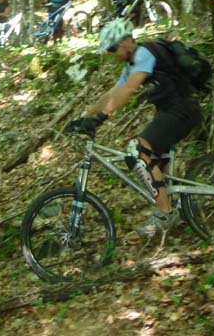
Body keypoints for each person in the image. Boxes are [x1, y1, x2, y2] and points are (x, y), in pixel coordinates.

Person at [65, 18, 202, 235]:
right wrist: (84, 117)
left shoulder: (144, 54)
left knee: (138, 151)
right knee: (155, 162)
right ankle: (177, 208)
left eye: (113, 48)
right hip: (172, 112)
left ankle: (166, 213)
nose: (113, 53)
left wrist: (101, 117)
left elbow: (129, 89)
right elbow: (112, 93)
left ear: (127, 40)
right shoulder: (133, 63)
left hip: (182, 111)